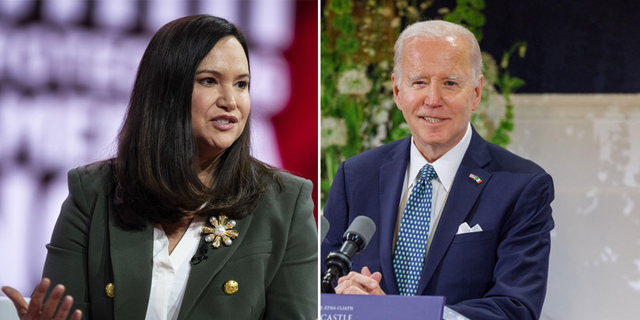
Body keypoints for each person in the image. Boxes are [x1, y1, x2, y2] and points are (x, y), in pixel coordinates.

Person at [1, 15, 317, 320]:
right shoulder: (94, 193)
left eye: (242, 84)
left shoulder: (285, 202)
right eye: (209, 81)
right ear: (167, 91)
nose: (231, 100)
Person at [321, 20, 554, 320]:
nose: (433, 100)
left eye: (450, 83)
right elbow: (318, 286)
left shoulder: (522, 186)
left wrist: (396, 315)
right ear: (397, 90)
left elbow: (515, 309)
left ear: (476, 92)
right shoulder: (356, 175)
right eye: (419, 82)